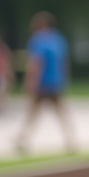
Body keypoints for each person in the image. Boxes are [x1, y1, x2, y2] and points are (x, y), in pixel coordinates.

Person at [15, 12, 77, 155]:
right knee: (60, 112)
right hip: (56, 82)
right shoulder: (59, 39)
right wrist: (64, 80)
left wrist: (30, 82)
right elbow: (64, 63)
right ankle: (70, 139)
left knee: (32, 112)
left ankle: (23, 139)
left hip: (42, 83)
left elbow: (37, 63)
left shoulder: (38, 40)